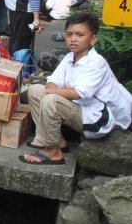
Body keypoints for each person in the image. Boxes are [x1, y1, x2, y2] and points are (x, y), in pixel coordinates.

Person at [19, 13, 132, 165]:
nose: (73, 39)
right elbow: (52, 82)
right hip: (83, 109)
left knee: (50, 99)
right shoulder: (70, 57)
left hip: (99, 119)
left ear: (93, 39)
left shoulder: (96, 62)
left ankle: (53, 152)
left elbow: (78, 93)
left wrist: (56, 92)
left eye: (80, 35)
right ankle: (56, 141)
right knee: (35, 90)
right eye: (69, 34)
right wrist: (56, 90)